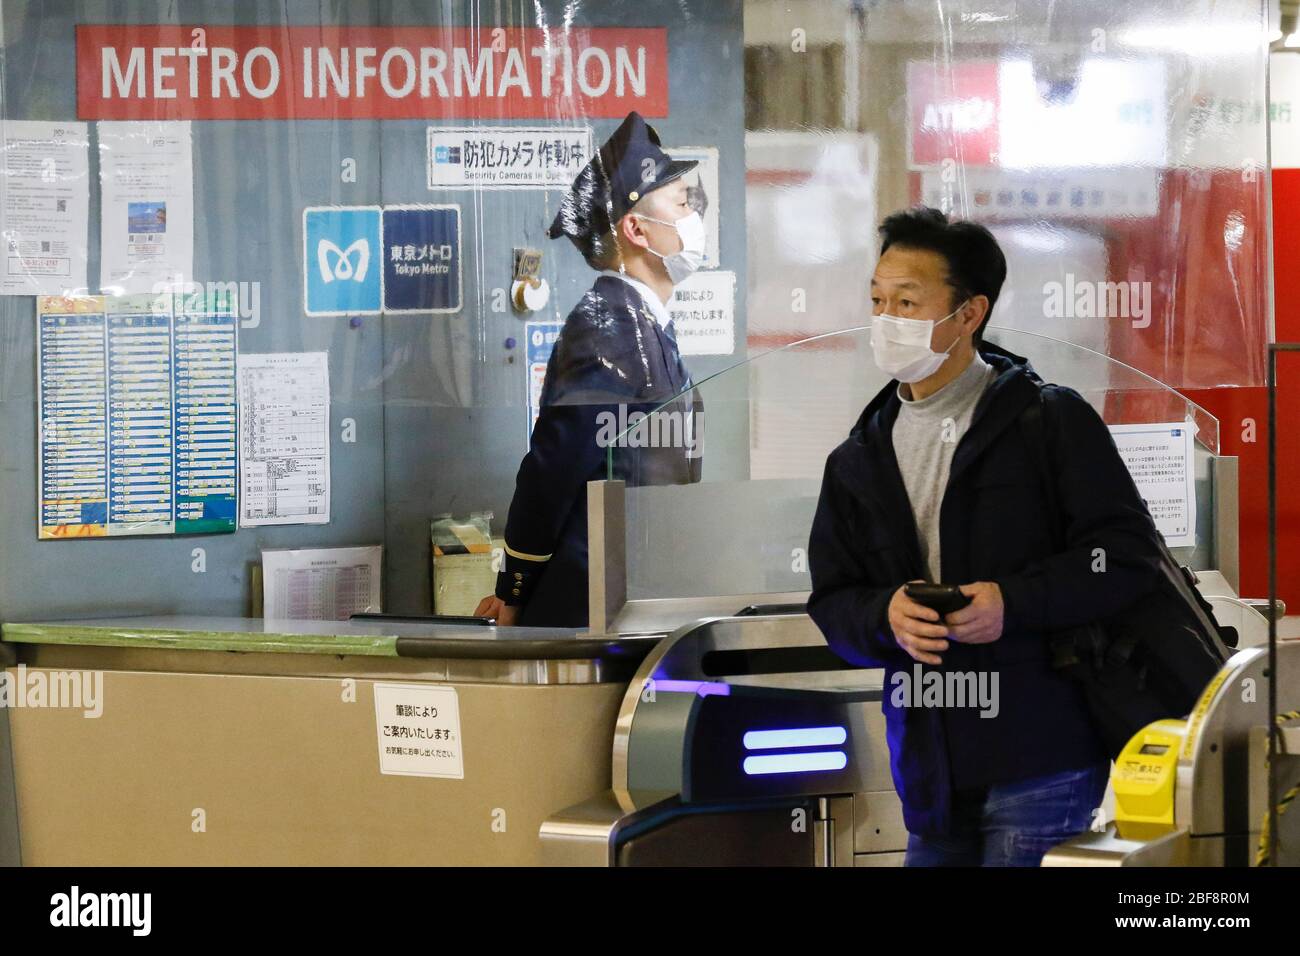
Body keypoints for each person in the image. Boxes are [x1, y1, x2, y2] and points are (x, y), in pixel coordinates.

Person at [807, 206, 1166, 866]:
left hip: (1042, 760)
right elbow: (832, 601)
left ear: (969, 314)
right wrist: (883, 615)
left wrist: (1013, 601)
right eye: (878, 299)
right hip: (929, 774)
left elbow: (1125, 558)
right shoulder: (858, 457)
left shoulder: (1046, 422)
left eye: (907, 302)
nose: (885, 319)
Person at [476, 112, 705, 628]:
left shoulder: (643, 324)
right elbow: (552, 472)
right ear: (636, 229)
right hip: (586, 607)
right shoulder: (606, 329)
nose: (694, 216)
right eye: (682, 203)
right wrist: (514, 592)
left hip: (636, 596)